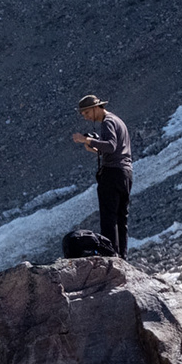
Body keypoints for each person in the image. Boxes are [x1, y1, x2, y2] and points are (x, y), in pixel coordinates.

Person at [71, 94, 131, 256]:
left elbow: (111, 146)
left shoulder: (107, 122)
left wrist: (87, 140)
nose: (86, 117)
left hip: (111, 173)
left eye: (87, 113)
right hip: (125, 173)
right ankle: (122, 256)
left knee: (108, 217)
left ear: (96, 108)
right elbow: (114, 148)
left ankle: (110, 255)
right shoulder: (117, 121)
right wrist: (95, 148)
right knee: (121, 218)